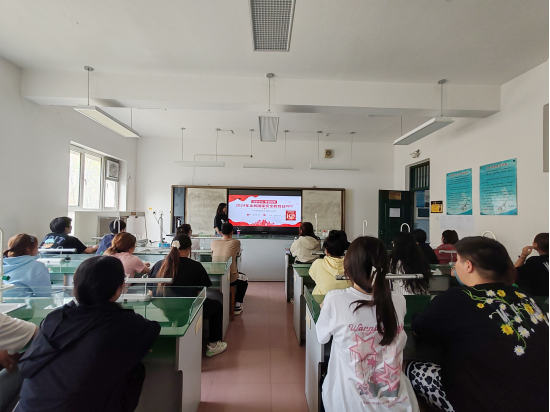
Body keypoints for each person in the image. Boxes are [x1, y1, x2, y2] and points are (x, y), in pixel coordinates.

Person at [407, 237, 549, 412]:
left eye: (457, 261)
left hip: (487, 403)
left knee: (407, 367)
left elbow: (419, 329)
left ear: (468, 266)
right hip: (541, 401)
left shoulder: (456, 298)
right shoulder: (526, 298)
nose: (455, 266)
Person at [16, 256, 161, 412]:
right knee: (135, 368)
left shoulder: (56, 317)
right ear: (119, 288)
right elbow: (153, 329)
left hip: (27, 406)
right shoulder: (124, 322)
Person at [316, 236, 418, 412]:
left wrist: (326, 308)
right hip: (397, 404)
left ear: (349, 266)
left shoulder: (335, 300)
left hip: (349, 404)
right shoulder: (399, 301)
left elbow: (321, 337)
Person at [151, 234, 227, 358]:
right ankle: (213, 344)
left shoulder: (159, 265)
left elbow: (151, 292)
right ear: (189, 249)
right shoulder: (196, 266)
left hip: (164, 308)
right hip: (188, 310)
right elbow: (201, 292)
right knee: (217, 306)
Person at [211, 223, 247, 315]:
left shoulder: (214, 243)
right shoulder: (236, 242)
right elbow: (237, 254)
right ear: (232, 232)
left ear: (221, 232)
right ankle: (237, 305)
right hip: (230, 279)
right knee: (244, 280)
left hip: (214, 277)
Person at [308, 230, 351, 295]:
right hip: (345, 299)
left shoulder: (318, 264)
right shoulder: (351, 265)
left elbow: (313, 276)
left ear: (326, 251)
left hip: (322, 299)